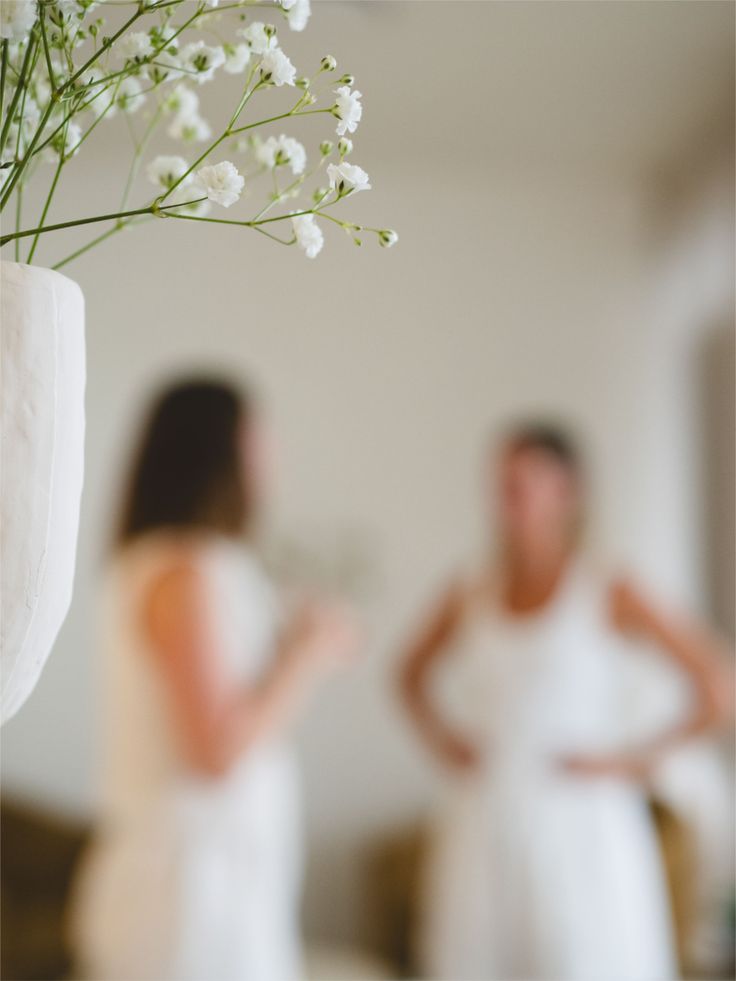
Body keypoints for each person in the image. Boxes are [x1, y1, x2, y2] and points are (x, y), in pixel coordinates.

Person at [399, 422, 731, 981]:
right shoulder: (470, 589)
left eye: (527, 482)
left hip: (583, 826)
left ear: (567, 492)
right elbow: (407, 676)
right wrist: (442, 739)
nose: (512, 497)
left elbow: (719, 685)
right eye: (503, 483)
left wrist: (634, 760)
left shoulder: (606, 585)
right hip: (487, 818)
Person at [70, 378, 356, 981]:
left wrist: (284, 649)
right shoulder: (183, 571)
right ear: (221, 449)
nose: (271, 455)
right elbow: (215, 750)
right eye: (259, 437)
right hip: (189, 906)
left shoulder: (194, 565)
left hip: (212, 892)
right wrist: (305, 656)